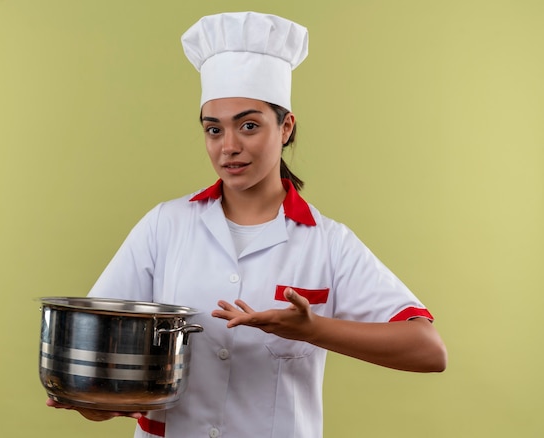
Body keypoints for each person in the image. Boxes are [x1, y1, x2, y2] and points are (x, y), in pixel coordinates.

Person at [47, 11, 447, 437]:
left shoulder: (328, 243)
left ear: (286, 126)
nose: (229, 147)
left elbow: (428, 350)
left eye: (249, 125)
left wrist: (313, 330)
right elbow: (98, 351)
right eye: (213, 129)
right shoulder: (165, 226)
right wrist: (94, 398)